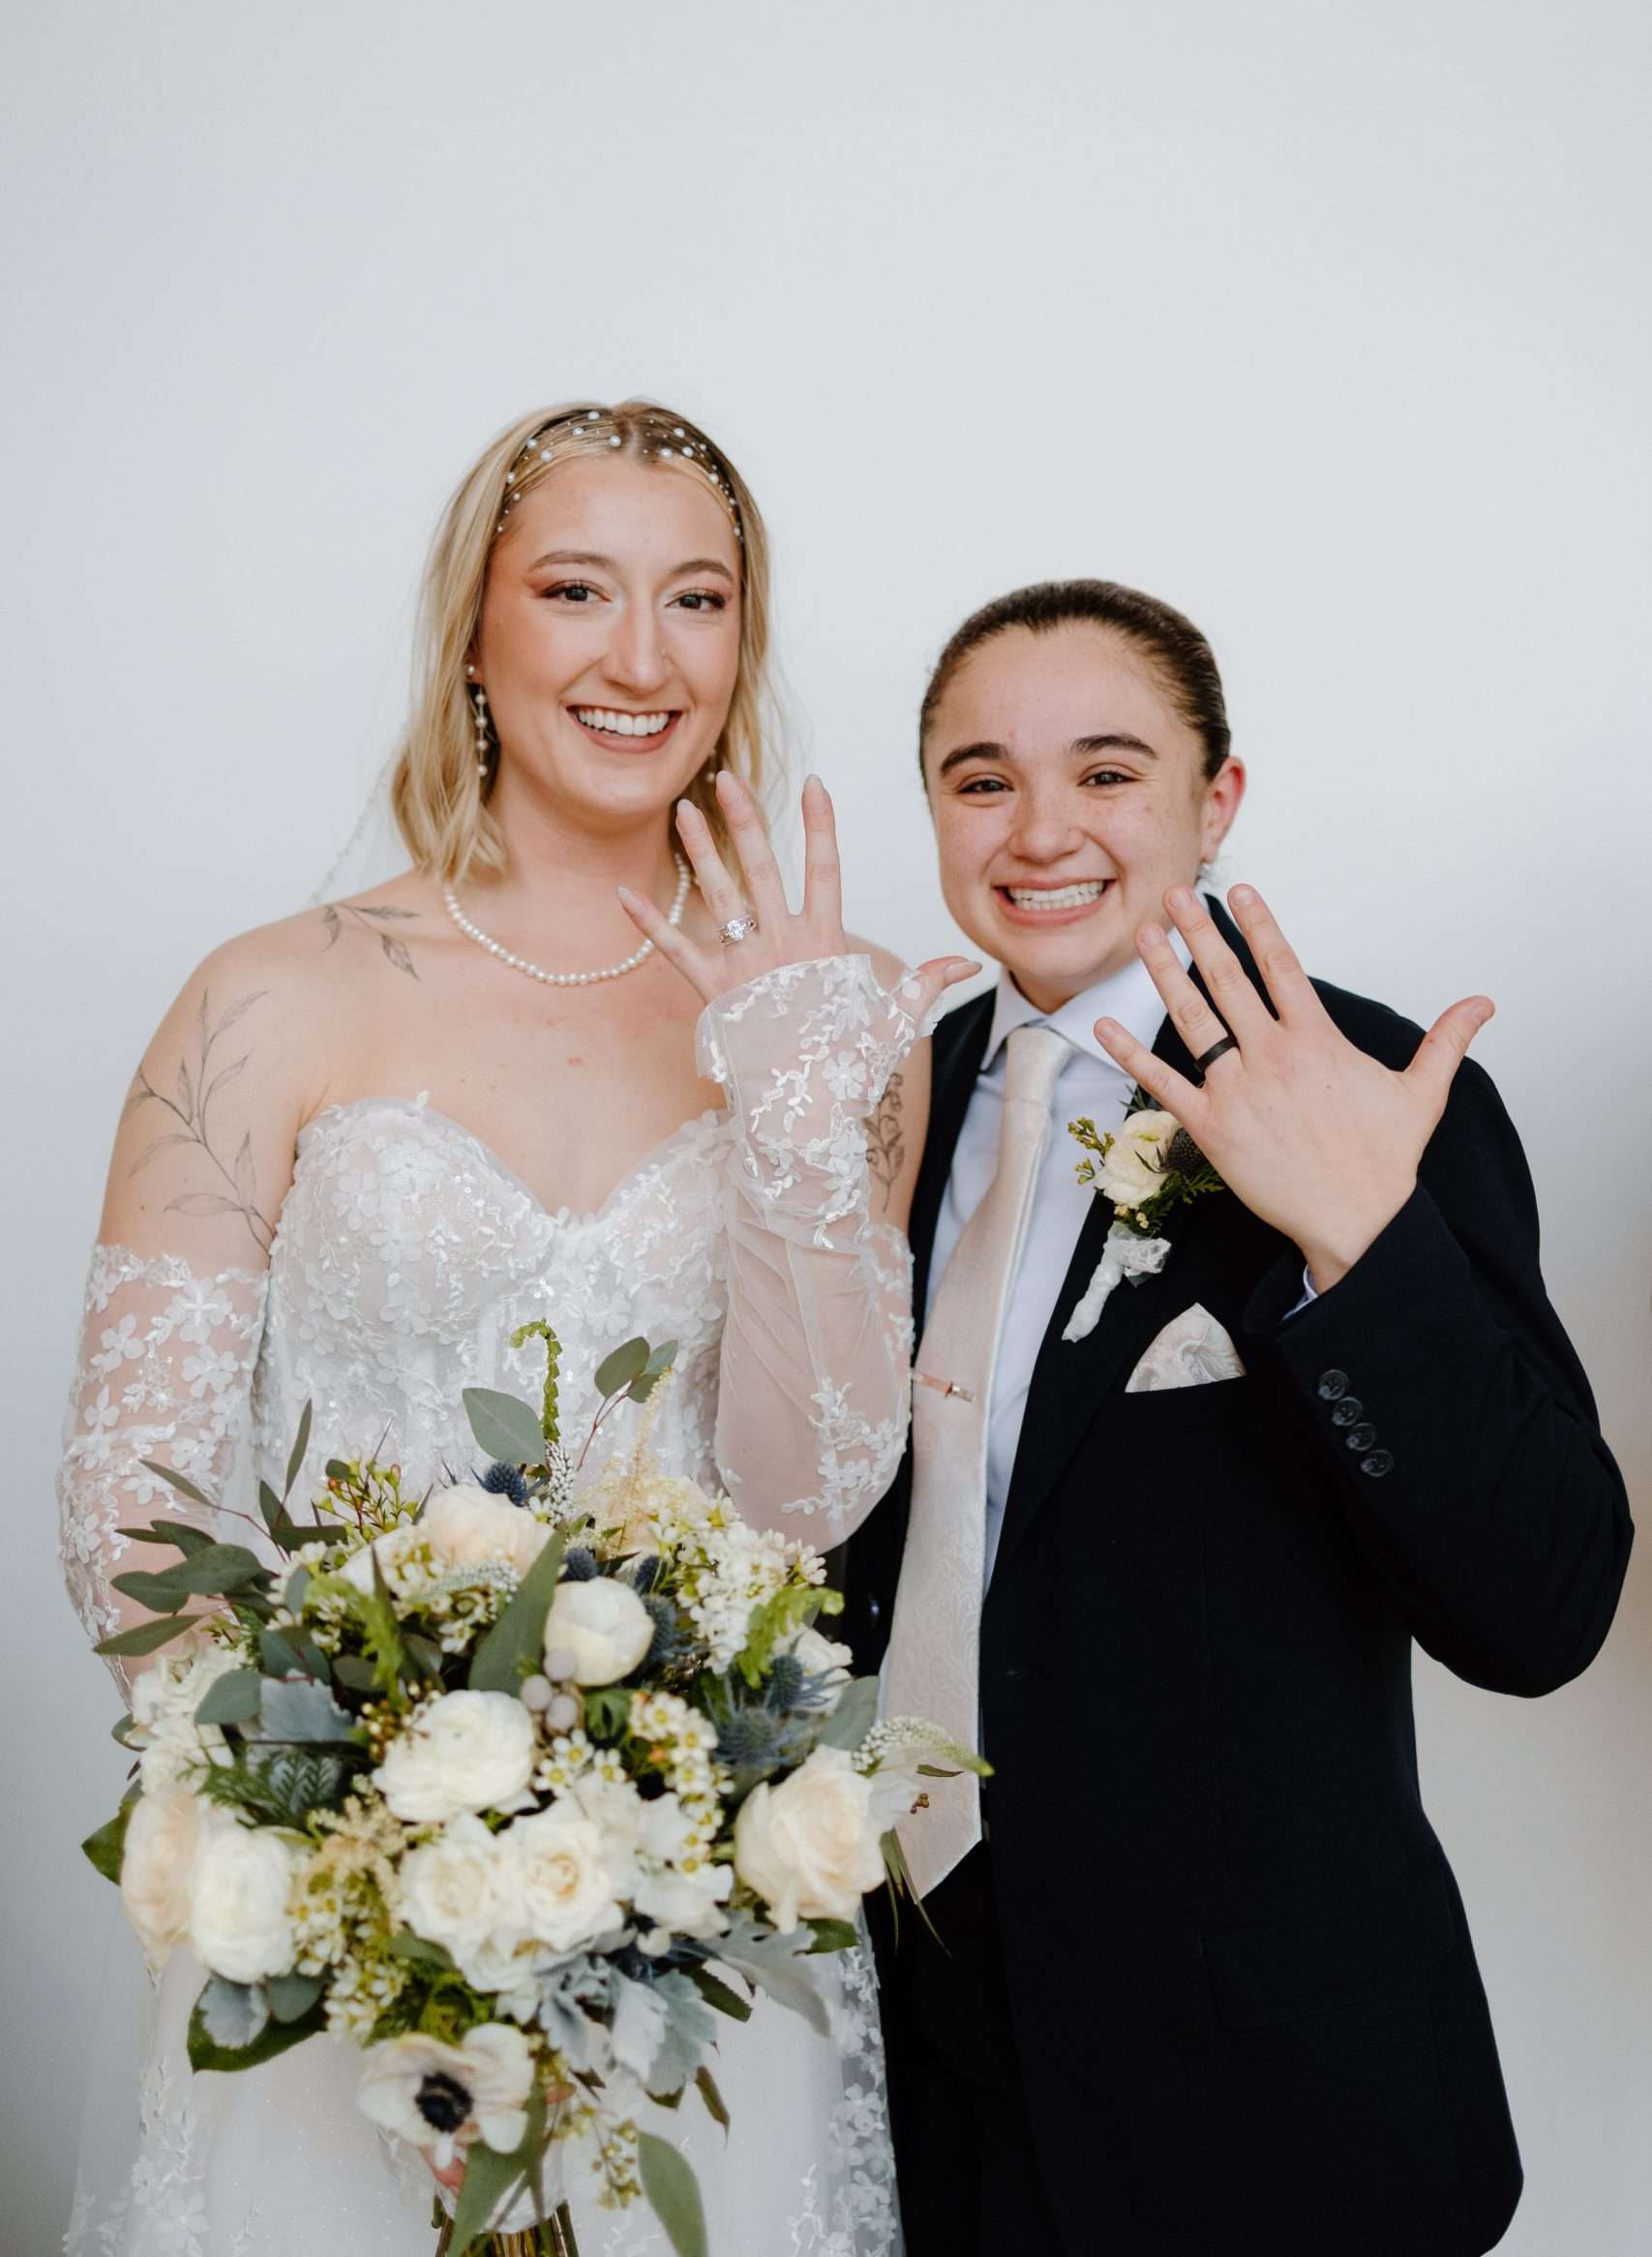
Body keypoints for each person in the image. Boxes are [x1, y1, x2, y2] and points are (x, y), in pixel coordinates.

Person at [57, 396, 976, 2257]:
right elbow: (134, 1513)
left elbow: (811, 1503)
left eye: (698, 602)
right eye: (577, 590)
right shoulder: (269, 999)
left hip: (701, 1919)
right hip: (340, 1919)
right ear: (474, 629)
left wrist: (802, 1135)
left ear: (746, 644)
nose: (642, 661)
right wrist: (373, 1846)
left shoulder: (839, 1018)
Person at [843, 578, 1633, 2257]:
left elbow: (1542, 1610)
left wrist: (1364, 1241)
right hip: (918, 2078)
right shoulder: (875, 1103)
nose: (1039, 827)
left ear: (1219, 799)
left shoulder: (1368, 1088)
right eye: (981, 777)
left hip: (1263, 2103)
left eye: (1108, 770)